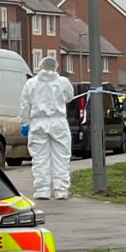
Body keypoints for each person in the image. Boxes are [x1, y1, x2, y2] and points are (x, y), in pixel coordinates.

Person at [19, 54, 75, 201]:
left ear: (40, 67)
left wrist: (25, 123)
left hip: (38, 122)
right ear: (55, 67)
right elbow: (69, 97)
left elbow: (25, 105)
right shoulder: (63, 82)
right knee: (61, 157)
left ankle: (42, 190)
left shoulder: (31, 83)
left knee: (40, 158)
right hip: (58, 122)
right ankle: (61, 190)